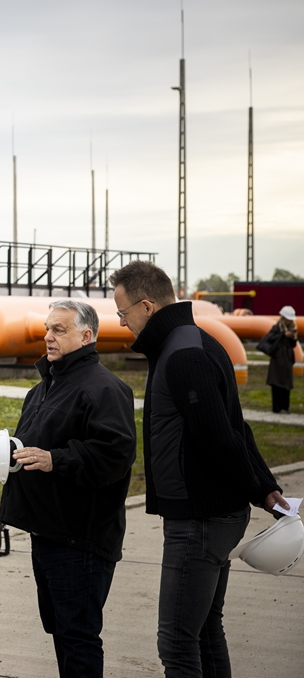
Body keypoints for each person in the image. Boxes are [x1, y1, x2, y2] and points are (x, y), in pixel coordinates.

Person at [110, 261, 286, 678]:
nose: (122, 323)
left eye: (123, 313)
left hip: (199, 519)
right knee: (206, 632)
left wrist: (259, 490)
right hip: (209, 514)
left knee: (176, 641)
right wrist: (263, 487)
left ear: (147, 307)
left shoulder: (183, 353)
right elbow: (235, 425)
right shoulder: (195, 341)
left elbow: (221, 437)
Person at [0, 300, 137, 677]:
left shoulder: (105, 388)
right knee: (61, 630)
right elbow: (34, 445)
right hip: (47, 532)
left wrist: (55, 459)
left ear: (86, 336)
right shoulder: (44, 387)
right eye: (47, 328)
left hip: (81, 539)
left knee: (78, 637)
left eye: (59, 330)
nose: (48, 336)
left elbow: (115, 456)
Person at [258, 306, 298, 413]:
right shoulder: (276, 328)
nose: (289, 321)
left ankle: (285, 407)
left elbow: (292, 345)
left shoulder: (293, 328)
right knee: (276, 384)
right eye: (287, 319)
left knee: (286, 384)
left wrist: (293, 338)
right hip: (277, 358)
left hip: (287, 359)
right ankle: (277, 408)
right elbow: (270, 338)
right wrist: (283, 335)